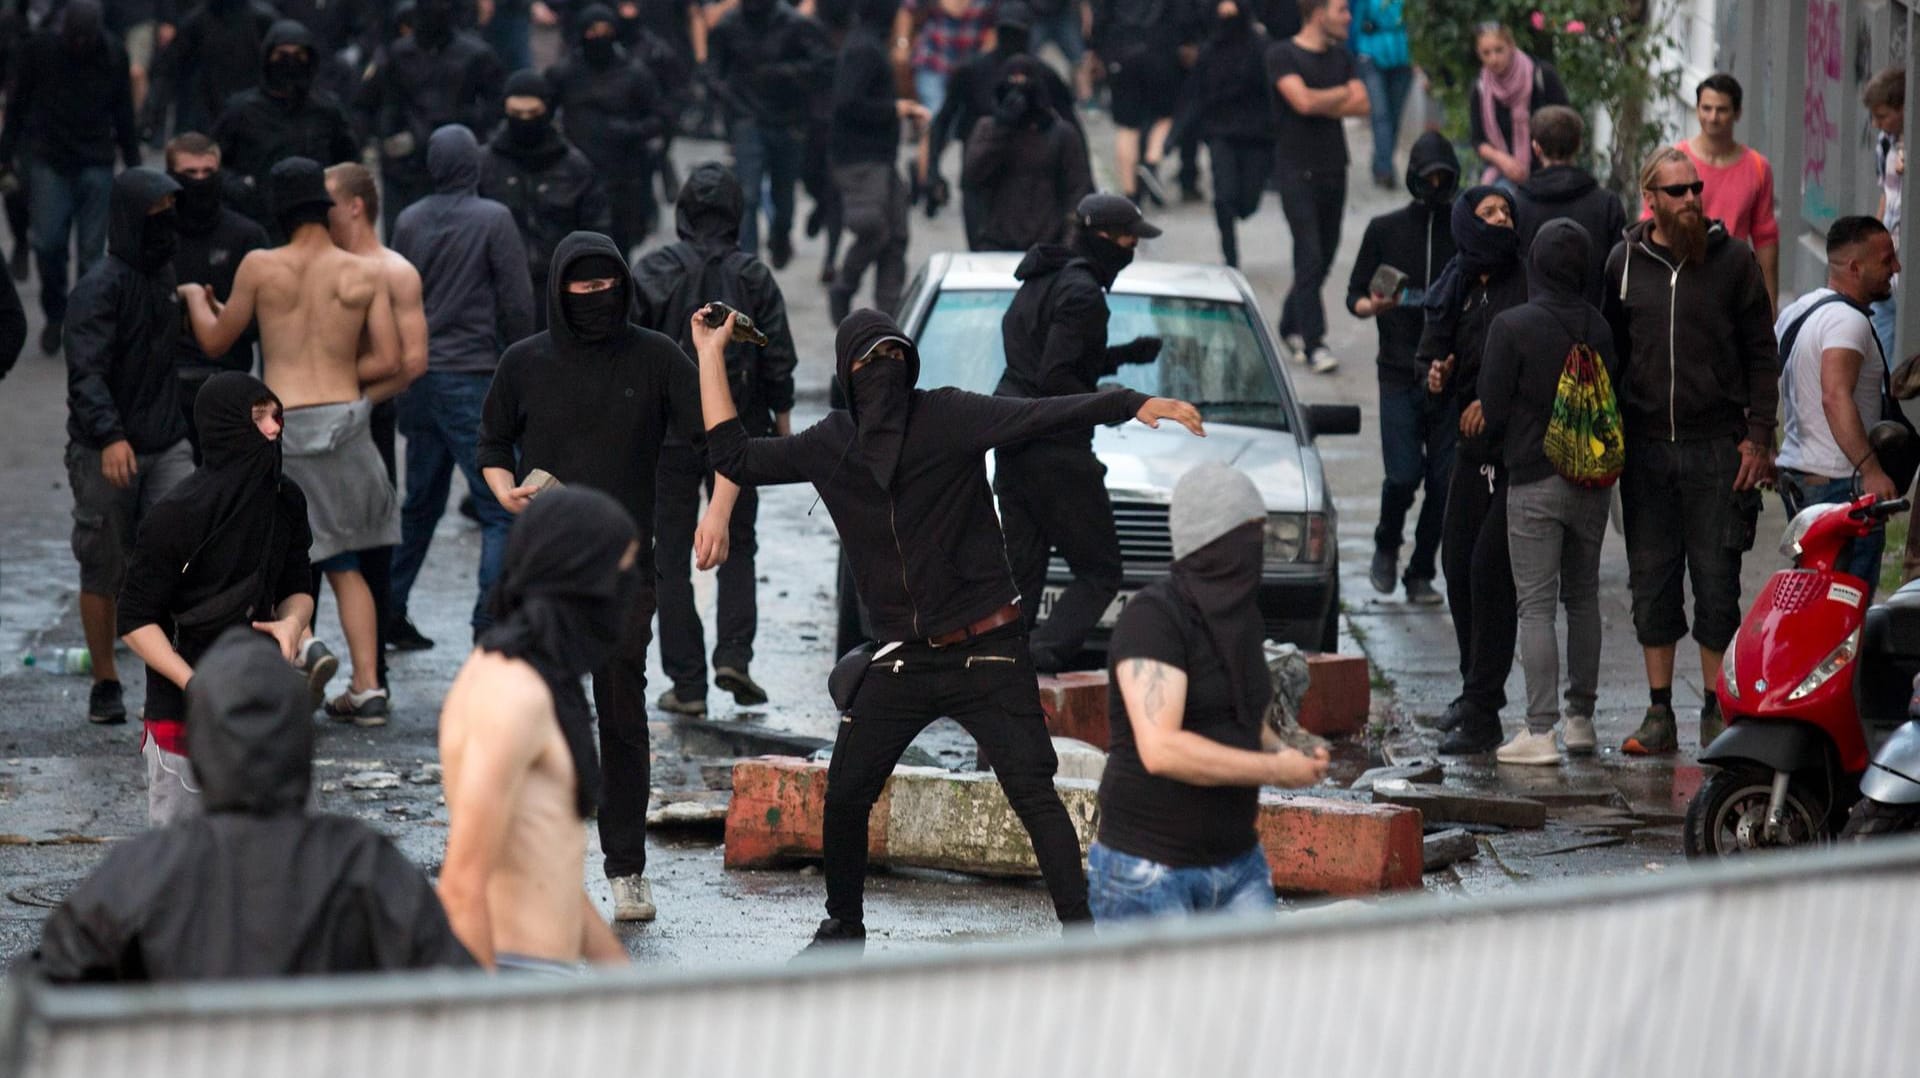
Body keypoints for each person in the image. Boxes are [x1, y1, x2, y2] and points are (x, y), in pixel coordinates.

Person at [697, 302, 1204, 949]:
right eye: (868, 361)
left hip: (988, 650)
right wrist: (711, 353)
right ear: (849, 378)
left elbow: (1042, 414)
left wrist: (1130, 402)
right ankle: (842, 929)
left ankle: (1086, 940)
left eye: (891, 358)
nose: (881, 371)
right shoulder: (833, 443)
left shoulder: (948, 415)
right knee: (847, 795)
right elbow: (735, 456)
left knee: (1032, 793)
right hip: (901, 658)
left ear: (909, 365)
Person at [480, 232, 737, 923]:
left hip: (626, 570)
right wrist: (504, 488)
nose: (595, 301)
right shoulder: (524, 362)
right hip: (543, 571)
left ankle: (626, 868)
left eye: (606, 289)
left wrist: (720, 511)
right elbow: (491, 441)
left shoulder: (655, 358)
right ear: (559, 291)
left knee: (622, 715)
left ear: (624, 287)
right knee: (542, 719)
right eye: (581, 290)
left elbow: (722, 439)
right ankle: (535, 864)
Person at [33, 628, 475, 982]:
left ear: (201, 751)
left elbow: (41, 1001)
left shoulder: (140, 873)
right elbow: (459, 992)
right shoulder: (366, 865)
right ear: (303, 746)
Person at [181, 158, 405, 726]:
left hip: (279, 427)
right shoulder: (363, 273)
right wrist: (340, 375)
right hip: (347, 424)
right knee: (347, 559)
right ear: (324, 209)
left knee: (281, 558)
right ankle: (369, 687)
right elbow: (391, 359)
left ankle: (304, 647)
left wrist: (194, 299)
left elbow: (216, 340)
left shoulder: (260, 265)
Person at [1090, 463, 1330, 922]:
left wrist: (1295, 748)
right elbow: (1161, 749)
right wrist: (1275, 769)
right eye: (1252, 533)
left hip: (1236, 864)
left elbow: (1243, 717)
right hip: (1149, 870)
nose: (1260, 549)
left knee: (1255, 995)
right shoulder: (1154, 619)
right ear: (1216, 540)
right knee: (1167, 998)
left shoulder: (1240, 618)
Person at [1605, 146, 1778, 754]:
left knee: (1716, 580)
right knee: (1651, 580)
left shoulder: (1733, 262)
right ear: (1649, 198)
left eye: (1695, 189)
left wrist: (1759, 436)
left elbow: (1762, 350)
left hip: (1716, 450)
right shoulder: (1624, 262)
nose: (1690, 201)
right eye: (1676, 192)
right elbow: (1610, 352)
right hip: (1647, 450)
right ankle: (1658, 714)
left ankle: (1714, 708)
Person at [438, 488, 641, 972]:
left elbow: (545, 870)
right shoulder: (513, 694)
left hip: (546, 977)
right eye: (621, 573)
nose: (627, 591)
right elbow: (462, 886)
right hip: (516, 978)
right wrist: (494, 1027)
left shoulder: (532, 675)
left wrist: (627, 987)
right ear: (581, 580)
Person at [632, 163, 796, 717]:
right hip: (740, 433)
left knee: (669, 560)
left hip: (669, 438)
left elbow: (630, 350)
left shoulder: (654, 271)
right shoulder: (754, 276)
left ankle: (688, 683)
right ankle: (735, 657)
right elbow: (778, 355)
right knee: (739, 545)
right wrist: (782, 421)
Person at [117, 374, 315, 822]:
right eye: (258, 417)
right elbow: (134, 618)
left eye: (275, 414)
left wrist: (292, 623)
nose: (273, 429)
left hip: (266, 712)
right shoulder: (176, 514)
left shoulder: (286, 500)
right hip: (183, 719)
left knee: (286, 865)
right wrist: (196, 685)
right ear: (225, 426)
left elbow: (298, 586)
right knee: (185, 875)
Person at [995, 194, 1164, 673]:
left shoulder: (1044, 276)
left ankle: (1000, 669)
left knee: (1021, 576)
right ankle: (1039, 658)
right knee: (1100, 571)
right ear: (1105, 239)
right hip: (1055, 450)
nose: (1134, 248)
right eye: (1130, 238)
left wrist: (1123, 354)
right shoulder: (1084, 293)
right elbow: (1057, 378)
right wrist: (1110, 402)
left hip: (1013, 439)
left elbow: (1045, 359)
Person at [1477, 219, 1619, 766]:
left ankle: (1540, 732)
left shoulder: (1513, 326)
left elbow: (1490, 410)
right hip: (1592, 482)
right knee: (1582, 598)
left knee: (1535, 604)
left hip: (1534, 480)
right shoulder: (1600, 327)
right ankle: (1581, 719)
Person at [390, 125, 536, 643]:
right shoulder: (494, 219)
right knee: (500, 507)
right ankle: (488, 621)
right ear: (474, 166)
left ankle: (390, 609)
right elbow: (517, 302)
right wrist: (526, 367)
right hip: (472, 376)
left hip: (417, 378)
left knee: (420, 504)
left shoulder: (407, 221)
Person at [65, 167, 195, 727]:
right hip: (107, 449)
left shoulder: (165, 276)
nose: (168, 223)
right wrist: (112, 435)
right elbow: (86, 374)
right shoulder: (100, 287)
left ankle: (170, 674)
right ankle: (105, 680)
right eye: (157, 212)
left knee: (182, 555)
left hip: (167, 443)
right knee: (104, 566)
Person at [1420, 185, 1528, 755]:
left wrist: (1496, 401)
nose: (1499, 220)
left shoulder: (1524, 279)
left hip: (1515, 455)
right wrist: (1436, 375)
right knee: (1456, 564)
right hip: (1469, 454)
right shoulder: (1456, 283)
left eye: (1506, 212)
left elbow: (1538, 358)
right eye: (1487, 213)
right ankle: (1472, 688)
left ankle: (1485, 710)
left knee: (1491, 571)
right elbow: (1431, 354)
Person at [325, 162, 432, 665]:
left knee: (371, 540)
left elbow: (412, 361)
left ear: (355, 205)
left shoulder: (393, 270)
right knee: (302, 539)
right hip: (322, 415)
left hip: (369, 421)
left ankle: (374, 673)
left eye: (328, 199)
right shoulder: (317, 265)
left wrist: (354, 395)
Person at [1347, 130, 1459, 606]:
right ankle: (1386, 542)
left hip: (1450, 374)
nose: (1434, 185)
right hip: (1396, 370)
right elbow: (1353, 294)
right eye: (1427, 177)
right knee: (1402, 474)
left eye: (1443, 177)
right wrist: (1372, 308)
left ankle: (1421, 570)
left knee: (1444, 480)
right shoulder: (1384, 229)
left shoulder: (1463, 229)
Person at [0, 0, 141, 356]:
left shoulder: (111, 54)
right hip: (50, 157)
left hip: (95, 158)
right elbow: (17, 105)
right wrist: (5, 156)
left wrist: (134, 164)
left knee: (92, 253)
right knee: (48, 243)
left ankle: (83, 323)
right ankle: (55, 312)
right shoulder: (40, 51)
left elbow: (123, 111)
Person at [1774, 217, 1903, 591]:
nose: (1895, 268)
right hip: (1839, 488)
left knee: (1810, 603)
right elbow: (1835, 394)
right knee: (1843, 616)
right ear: (1855, 268)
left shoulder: (1797, 311)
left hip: (1799, 477)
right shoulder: (1850, 322)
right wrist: (1871, 470)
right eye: (1886, 260)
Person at [920, 3, 1080, 246]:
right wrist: (932, 173)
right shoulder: (973, 72)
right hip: (983, 179)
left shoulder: (1044, 77)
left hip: (1037, 183)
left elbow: (1073, 134)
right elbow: (942, 123)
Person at [1267, 0, 1367, 375]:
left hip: (1334, 168)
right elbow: (1302, 102)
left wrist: (1323, 98)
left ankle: (1290, 322)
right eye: (1342, 10)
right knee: (1308, 255)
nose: (1348, 18)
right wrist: (1337, 95)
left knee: (1324, 257)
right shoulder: (1281, 55)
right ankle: (1314, 342)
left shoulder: (1341, 56)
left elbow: (1362, 104)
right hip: (1295, 171)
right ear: (1318, 11)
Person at [481, 70, 612, 332]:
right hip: (495, 291)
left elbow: (596, 231)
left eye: (533, 114)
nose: (525, 122)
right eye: (517, 114)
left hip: (556, 291)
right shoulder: (485, 164)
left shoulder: (576, 168)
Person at [166, 133, 271, 459]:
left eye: (207, 172)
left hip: (229, 381)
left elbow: (267, 317)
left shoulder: (246, 236)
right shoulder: (156, 234)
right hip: (166, 382)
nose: (199, 181)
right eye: (189, 174)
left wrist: (227, 316)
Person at [706, 0, 834, 264]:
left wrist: (785, 74)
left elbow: (823, 66)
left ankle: (780, 234)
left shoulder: (795, 24)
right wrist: (729, 98)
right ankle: (749, 262)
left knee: (783, 193)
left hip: (788, 120)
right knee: (748, 195)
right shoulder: (729, 25)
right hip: (748, 117)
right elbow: (713, 70)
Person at [1640, 74, 1781, 311]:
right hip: (1678, 274)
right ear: (1697, 110)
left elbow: (1765, 237)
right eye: (1706, 108)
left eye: (1722, 110)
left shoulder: (1757, 167)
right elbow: (1650, 222)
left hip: (1732, 279)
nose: (1713, 117)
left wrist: (1771, 303)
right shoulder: (1674, 162)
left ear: (1737, 113)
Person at [367, 0, 508, 234]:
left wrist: (470, 124)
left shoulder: (475, 54)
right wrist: (392, 136)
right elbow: (379, 102)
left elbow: (496, 103)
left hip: (461, 155)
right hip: (408, 164)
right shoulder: (398, 55)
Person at [211, 19, 361, 234]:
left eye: (299, 55)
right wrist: (240, 187)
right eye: (281, 55)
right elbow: (215, 160)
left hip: (316, 223)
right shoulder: (242, 110)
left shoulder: (327, 110)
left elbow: (350, 161)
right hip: (259, 222)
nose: (290, 62)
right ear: (267, 57)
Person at [827, 0, 926, 324]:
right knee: (874, 230)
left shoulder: (870, 44)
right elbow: (847, 103)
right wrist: (894, 110)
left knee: (896, 236)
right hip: (861, 159)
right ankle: (844, 286)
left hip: (881, 158)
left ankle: (889, 317)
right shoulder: (863, 49)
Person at [546, 5, 671, 260]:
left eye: (605, 31)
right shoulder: (565, 73)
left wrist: (628, 131)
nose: (599, 38)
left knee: (618, 248)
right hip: (574, 176)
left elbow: (660, 116)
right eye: (593, 32)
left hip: (621, 176)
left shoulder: (634, 74)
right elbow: (545, 111)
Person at [961, 55, 1092, 255]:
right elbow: (972, 176)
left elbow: (1077, 192)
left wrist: (1068, 246)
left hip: (1048, 243)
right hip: (995, 243)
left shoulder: (1062, 135)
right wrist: (1002, 127)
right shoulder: (987, 129)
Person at [1511, 105, 1625, 308]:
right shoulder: (1607, 204)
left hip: (1529, 328)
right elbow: (1618, 276)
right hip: (1592, 328)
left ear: (1536, 147)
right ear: (1579, 145)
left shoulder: (1517, 206)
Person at [1187, 0, 1269, 268]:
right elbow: (1196, 96)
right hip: (1220, 131)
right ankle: (1230, 257)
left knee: (1247, 201)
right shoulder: (1210, 50)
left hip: (1257, 134)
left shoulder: (1259, 47)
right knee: (1224, 196)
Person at [1091, 0, 1193, 207]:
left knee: (1127, 127)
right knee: (1167, 114)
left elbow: (1100, 17)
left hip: (1121, 51)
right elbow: (1183, 14)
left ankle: (1130, 195)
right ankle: (1151, 160)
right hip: (1161, 50)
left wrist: (1096, 50)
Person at [147, 0, 275, 137]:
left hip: (249, 111)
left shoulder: (262, 19)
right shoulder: (196, 22)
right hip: (207, 111)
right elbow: (168, 66)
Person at [1466, 22, 1568, 188]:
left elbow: (1566, 122)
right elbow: (1478, 140)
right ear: (1479, 54)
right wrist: (1503, 161)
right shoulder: (1480, 88)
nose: (1493, 59)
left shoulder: (1542, 75)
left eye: (1499, 50)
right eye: (1486, 53)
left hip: (1549, 172)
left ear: (1511, 46)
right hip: (1505, 174)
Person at [1864, 67, 1904, 363]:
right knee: (1879, 325)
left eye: (1883, 116)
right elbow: (1885, 196)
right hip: (1889, 248)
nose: (1878, 124)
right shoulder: (1886, 143)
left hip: (1906, 255)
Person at [1350, 0, 1410, 191]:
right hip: (1371, 54)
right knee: (1380, 114)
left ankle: (1381, 161)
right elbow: (1355, 21)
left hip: (1403, 55)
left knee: (1394, 115)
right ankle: (1385, 168)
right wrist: (1351, 57)